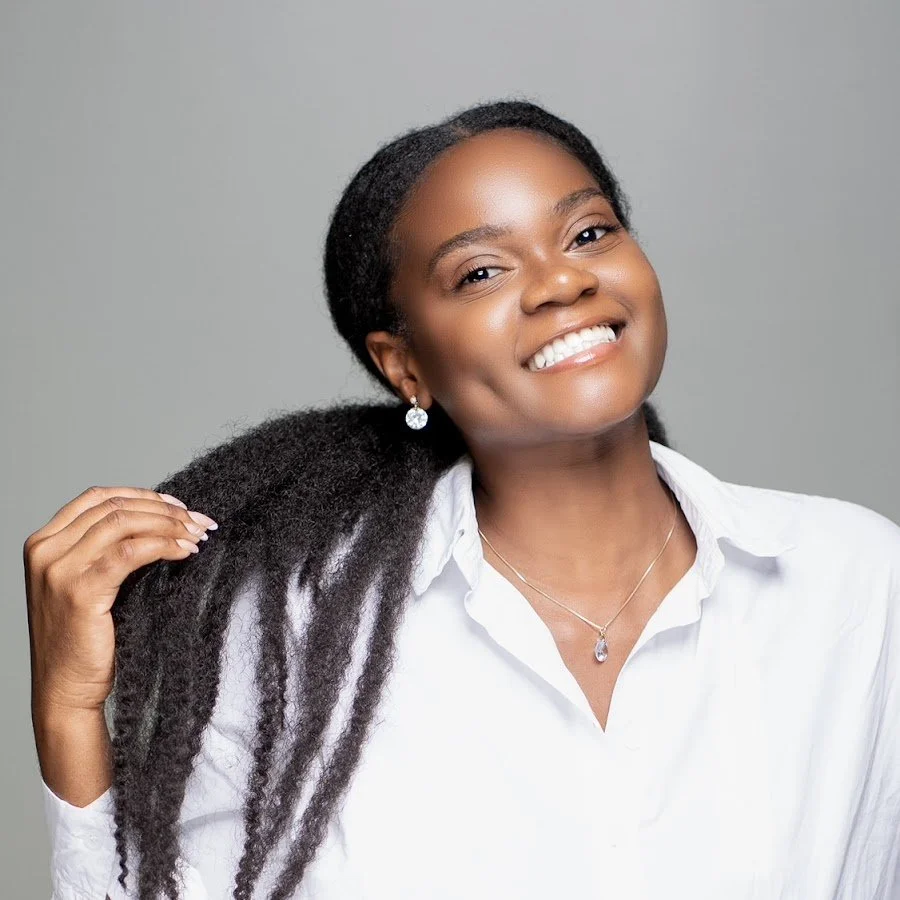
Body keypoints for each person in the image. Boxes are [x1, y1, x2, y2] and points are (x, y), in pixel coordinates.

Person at [25, 98, 900, 900]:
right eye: (481, 273)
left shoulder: (855, 582)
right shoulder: (290, 634)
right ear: (404, 366)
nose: (562, 281)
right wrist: (68, 714)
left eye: (590, 233)